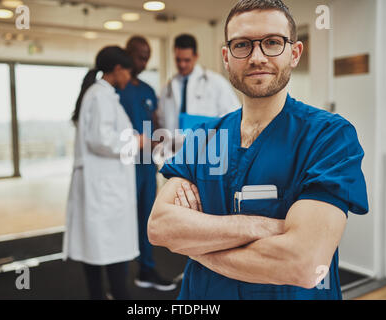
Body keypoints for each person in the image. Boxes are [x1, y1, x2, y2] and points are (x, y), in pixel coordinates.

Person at [148, 0, 369, 300]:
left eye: (272, 43)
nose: (257, 57)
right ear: (226, 57)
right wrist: (260, 226)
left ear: (295, 53)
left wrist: (197, 247)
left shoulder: (329, 137)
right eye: (242, 45)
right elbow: (160, 227)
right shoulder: (203, 137)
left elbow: (305, 264)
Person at [63, 46, 143, 300]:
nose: (129, 78)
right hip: (104, 187)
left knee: (97, 249)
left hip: (101, 184)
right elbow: (101, 139)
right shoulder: (101, 96)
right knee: (110, 249)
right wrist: (136, 141)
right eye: (128, 71)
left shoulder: (99, 94)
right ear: (118, 69)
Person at [116, 36, 176, 291]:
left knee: (146, 218)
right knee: (120, 220)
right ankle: (117, 280)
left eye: (147, 56)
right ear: (127, 54)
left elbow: (156, 124)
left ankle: (147, 270)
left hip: (145, 165)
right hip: (121, 167)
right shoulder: (114, 89)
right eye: (140, 55)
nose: (144, 61)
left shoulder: (148, 91)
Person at [157, 33, 241, 133]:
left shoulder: (216, 83)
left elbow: (234, 116)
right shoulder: (167, 88)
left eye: (187, 60)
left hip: (208, 144)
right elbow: (161, 120)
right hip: (174, 146)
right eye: (178, 60)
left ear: (196, 56)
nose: (182, 65)